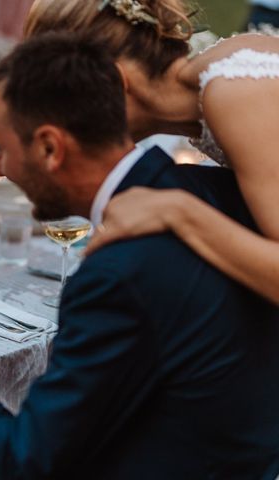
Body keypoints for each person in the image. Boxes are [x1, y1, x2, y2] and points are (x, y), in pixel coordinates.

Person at [0, 34, 279, 479]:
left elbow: (25, 461)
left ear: (50, 147)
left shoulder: (115, 276)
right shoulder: (214, 192)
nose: (1, 169)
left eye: (3, 148)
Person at [23, 0, 279, 305]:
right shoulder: (217, 83)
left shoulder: (234, 91)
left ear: (115, 82)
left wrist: (176, 211)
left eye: (66, 106)